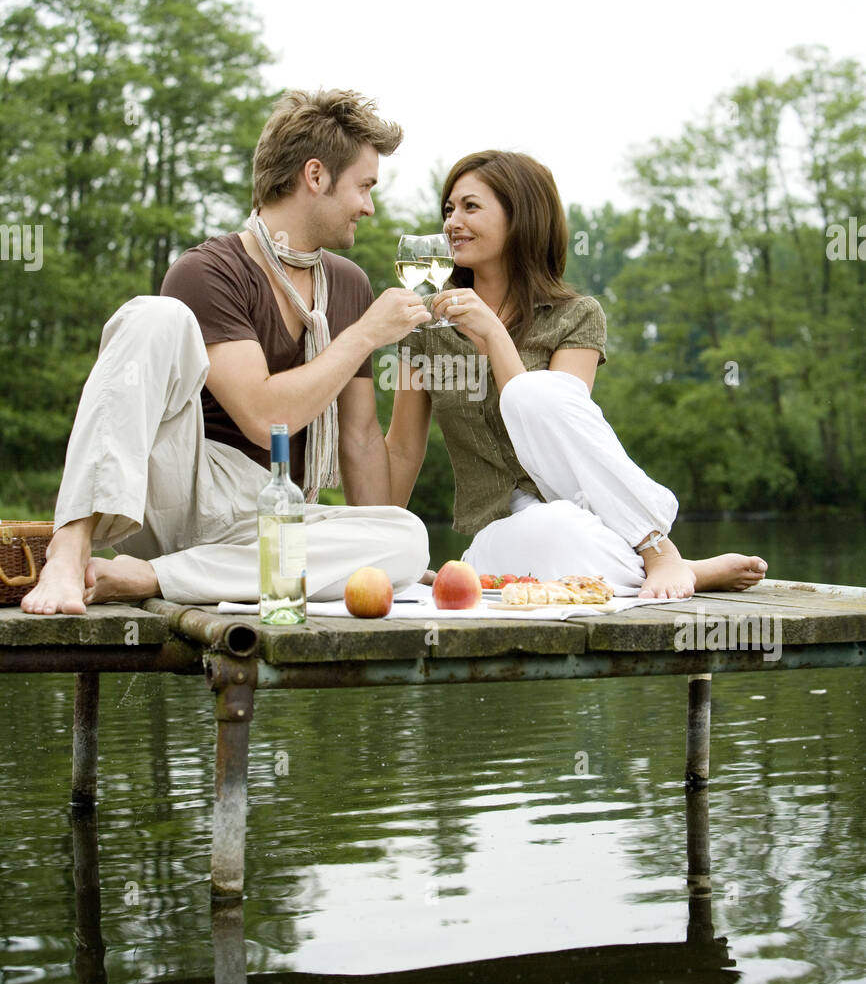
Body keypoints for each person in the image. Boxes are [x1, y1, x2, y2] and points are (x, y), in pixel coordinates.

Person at [22, 89, 433, 616]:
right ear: (315, 176)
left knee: (408, 537)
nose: (369, 207)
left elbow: (357, 438)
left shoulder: (349, 285)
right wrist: (364, 335)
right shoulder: (209, 270)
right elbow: (267, 419)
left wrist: (377, 549)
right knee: (155, 315)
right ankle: (70, 546)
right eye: (364, 186)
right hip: (188, 489)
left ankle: (147, 577)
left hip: (272, 513)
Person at [384, 150, 768, 599]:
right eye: (448, 209)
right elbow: (403, 448)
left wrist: (492, 332)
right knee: (556, 528)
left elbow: (557, 430)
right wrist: (379, 550)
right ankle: (686, 570)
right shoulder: (426, 324)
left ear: (522, 215)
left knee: (537, 399)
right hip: (505, 531)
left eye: (470, 206)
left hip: (586, 509)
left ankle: (658, 549)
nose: (451, 221)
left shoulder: (575, 316)